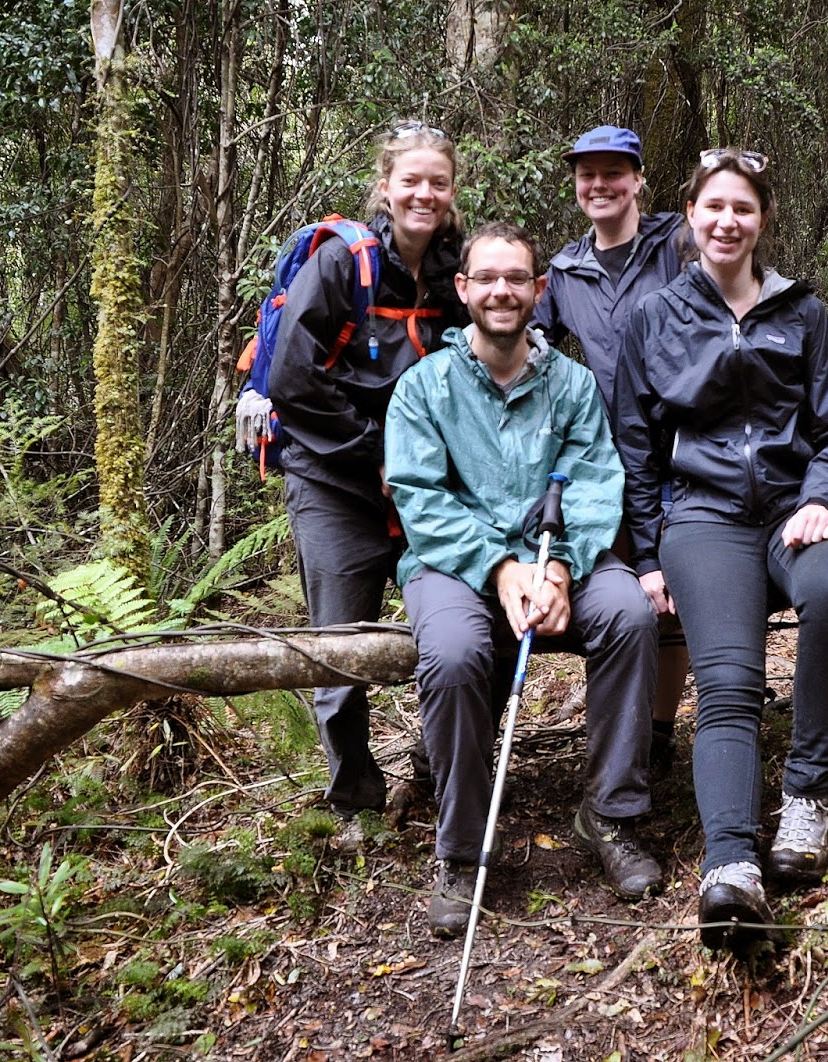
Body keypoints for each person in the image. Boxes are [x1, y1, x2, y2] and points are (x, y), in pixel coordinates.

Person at [612, 149, 828, 951]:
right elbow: (636, 449)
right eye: (714, 206)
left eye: (743, 208)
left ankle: (806, 799)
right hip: (704, 518)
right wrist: (648, 555)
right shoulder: (653, 318)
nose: (728, 221)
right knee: (728, 682)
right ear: (690, 214)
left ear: (763, 220)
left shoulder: (802, 312)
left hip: (799, 508)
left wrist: (824, 496)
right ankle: (730, 868)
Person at [385, 221, 664, 938]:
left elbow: (597, 481)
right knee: (453, 654)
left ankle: (609, 815)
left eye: (516, 279)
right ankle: (462, 850)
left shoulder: (571, 385)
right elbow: (419, 496)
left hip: (558, 558)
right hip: (455, 565)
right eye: (487, 278)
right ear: (463, 288)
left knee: (629, 614)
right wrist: (500, 567)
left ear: (539, 291)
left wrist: (562, 566)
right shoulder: (424, 387)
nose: (502, 291)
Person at [267, 122, 468, 847]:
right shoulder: (340, 263)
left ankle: (443, 769)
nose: (424, 194)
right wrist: (375, 454)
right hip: (335, 479)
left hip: (425, 485)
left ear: (451, 192)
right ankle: (355, 800)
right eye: (410, 181)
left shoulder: (455, 269)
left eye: (437, 183)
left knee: (458, 629)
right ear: (386, 187)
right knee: (340, 648)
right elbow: (293, 378)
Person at [532, 125, 690, 780]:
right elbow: (531, 336)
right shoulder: (567, 270)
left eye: (613, 173)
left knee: (673, 593)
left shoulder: (676, 243)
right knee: (626, 590)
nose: (599, 185)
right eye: (587, 175)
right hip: (609, 457)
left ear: (637, 179)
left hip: (685, 443)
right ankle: (621, 734)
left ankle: (659, 731)